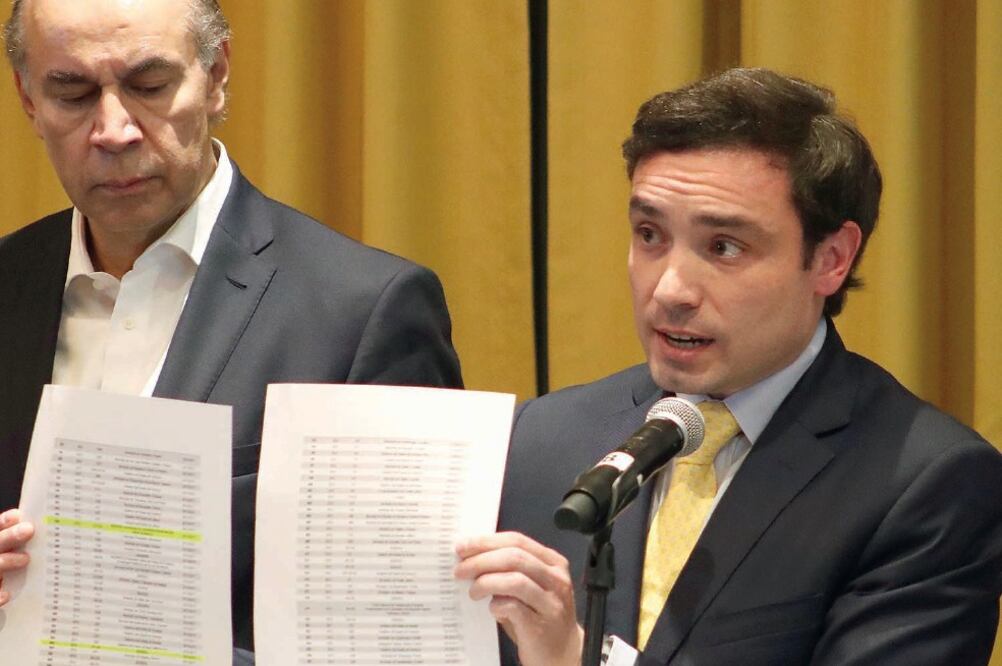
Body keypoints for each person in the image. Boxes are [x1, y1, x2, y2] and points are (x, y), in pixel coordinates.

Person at [455, 68, 1002, 665]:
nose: (670, 290)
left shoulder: (925, 485)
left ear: (832, 259)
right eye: (649, 234)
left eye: (723, 247)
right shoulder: (542, 440)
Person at [0, 0, 462, 659]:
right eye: (71, 93)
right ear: (27, 97)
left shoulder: (364, 313)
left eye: (150, 86)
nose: (114, 129)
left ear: (216, 75)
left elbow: (400, 640)